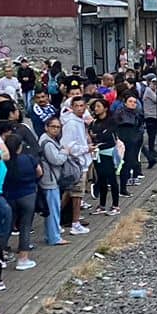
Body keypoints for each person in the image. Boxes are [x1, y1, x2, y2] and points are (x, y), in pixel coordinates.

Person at [2, 132, 40, 270]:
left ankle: (0, 256)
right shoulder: (28, 158)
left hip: (9, 196)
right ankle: (23, 259)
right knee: (25, 227)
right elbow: (39, 172)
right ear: (20, 147)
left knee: (6, 226)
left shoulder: (4, 162)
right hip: (28, 194)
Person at [60, 96, 93, 236]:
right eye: (77, 106)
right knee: (75, 194)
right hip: (76, 163)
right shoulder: (71, 124)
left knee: (74, 194)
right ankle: (74, 223)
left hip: (81, 161)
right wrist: (86, 149)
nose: (80, 108)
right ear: (72, 107)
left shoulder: (79, 121)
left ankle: (67, 221)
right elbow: (69, 146)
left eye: (82, 105)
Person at [38, 117, 70, 247]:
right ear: (46, 127)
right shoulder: (48, 143)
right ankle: (54, 237)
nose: (56, 129)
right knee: (53, 210)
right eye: (53, 126)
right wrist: (64, 152)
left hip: (49, 179)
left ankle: (50, 235)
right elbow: (56, 160)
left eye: (58, 127)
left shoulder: (47, 140)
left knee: (51, 210)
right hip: (50, 180)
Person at [89, 98, 121, 216]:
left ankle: (115, 205)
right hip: (98, 153)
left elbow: (106, 135)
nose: (96, 109)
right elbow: (92, 134)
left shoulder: (111, 121)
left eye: (98, 106)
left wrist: (97, 136)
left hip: (109, 153)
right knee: (101, 179)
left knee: (112, 179)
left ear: (105, 108)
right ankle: (102, 205)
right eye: (95, 107)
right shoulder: (94, 122)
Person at [114, 91, 145, 197]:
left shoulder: (137, 113)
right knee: (117, 165)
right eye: (130, 101)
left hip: (132, 141)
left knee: (128, 165)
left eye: (134, 102)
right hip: (122, 142)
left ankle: (123, 188)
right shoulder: (120, 112)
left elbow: (139, 126)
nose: (133, 103)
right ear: (125, 102)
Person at [139, 74, 157, 170]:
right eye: (153, 83)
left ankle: (152, 152)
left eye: (156, 83)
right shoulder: (148, 91)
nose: (154, 85)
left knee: (153, 135)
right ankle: (151, 152)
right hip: (150, 116)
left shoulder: (153, 91)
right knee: (151, 134)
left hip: (153, 115)